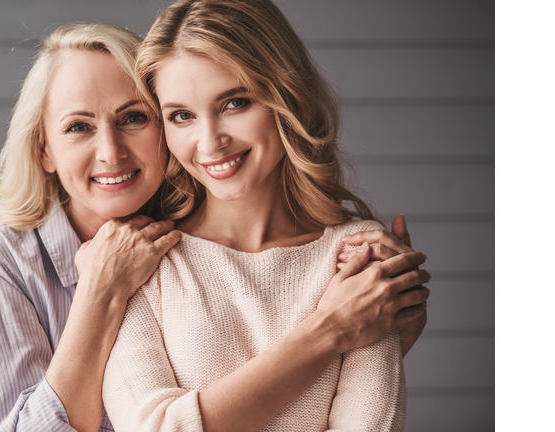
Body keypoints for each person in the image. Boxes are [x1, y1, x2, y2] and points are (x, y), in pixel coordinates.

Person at [0, 21, 428, 432]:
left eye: (134, 117)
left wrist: (384, 337)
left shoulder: (178, 238)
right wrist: (100, 291)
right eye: (78, 127)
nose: (111, 151)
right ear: (43, 150)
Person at [101, 1, 430, 431]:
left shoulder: (359, 254)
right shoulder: (145, 259)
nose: (210, 142)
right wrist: (329, 329)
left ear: (286, 95)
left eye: (235, 103)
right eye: (181, 116)